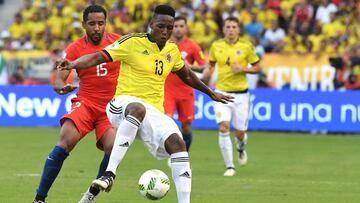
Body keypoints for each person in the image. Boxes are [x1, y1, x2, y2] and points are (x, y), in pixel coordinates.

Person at [57, 5, 233, 203]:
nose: (165, 32)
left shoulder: (172, 51)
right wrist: (73, 64)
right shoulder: (132, 42)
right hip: (121, 105)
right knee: (137, 108)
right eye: (160, 26)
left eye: (169, 27)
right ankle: (109, 173)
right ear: (151, 24)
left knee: (179, 144)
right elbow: (98, 57)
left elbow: (187, 75)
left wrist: (210, 93)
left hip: (153, 112)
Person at [33, 5, 120, 203]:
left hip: (111, 108)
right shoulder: (75, 48)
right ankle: (39, 199)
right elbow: (60, 75)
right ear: (84, 25)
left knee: (113, 147)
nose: (97, 28)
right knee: (65, 141)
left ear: (105, 23)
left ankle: (90, 196)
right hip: (87, 102)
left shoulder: (118, 43)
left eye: (101, 23)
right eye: (92, 24)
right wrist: (59, 86)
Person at [203, 17, 260, 177]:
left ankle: (240, 147)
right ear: (224, 29)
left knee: (240, 133)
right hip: (222, 93)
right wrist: (207, 72)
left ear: (239, 29)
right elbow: (211, 65)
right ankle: (230, 166)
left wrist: (243, 69)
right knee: (223, 127)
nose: (231, 29)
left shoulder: (246, 46)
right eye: (228, 26)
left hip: (241, 95)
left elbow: (257, 67)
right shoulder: (216, 46)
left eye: (234, 26)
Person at [164, 16, 207, 151]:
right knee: (168, 121)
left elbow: (204, 66)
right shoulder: (165, 44)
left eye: (181, 26)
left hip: (186, 90)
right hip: (167, 90)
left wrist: (190, 66)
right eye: (175, 26)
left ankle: (184, 154)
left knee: (186, 126)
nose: (178, 29)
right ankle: (172, 152)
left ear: (186, 28)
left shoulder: (192, 46)